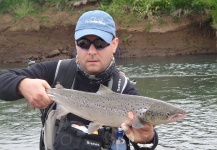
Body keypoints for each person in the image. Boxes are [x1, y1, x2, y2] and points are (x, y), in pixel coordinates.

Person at [0, 10, 158, 150]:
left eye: (100, 43)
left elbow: (145, 141)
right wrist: (22, 84)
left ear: (114, 44)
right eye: (84, 44)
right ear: (75, 44)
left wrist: (148, 139)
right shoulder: (55, 71)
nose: (91, 51)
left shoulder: (124, 89)